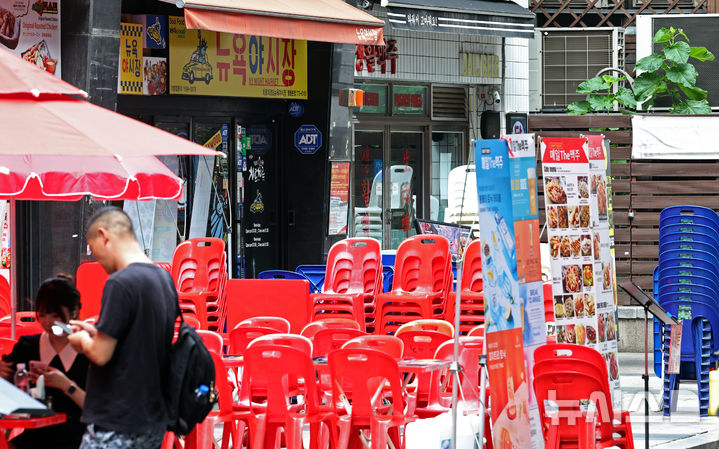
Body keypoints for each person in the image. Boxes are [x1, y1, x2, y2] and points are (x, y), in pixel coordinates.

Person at [68, 207, 177, 449]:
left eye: (94, 250)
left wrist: (81, 342)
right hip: (152, 418)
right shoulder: (163, 279)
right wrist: (97, 331)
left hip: (117, 418)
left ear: (104, 235)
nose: (97, 261)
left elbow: (100, 353)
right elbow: (139, 340)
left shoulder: (120, 282)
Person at [0, 275, 89, 449]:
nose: (48, 322)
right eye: (42, 315)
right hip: (34, 438)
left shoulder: (88, 351)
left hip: (80, 440)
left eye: (55, 315)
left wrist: (66, 385)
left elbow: (101, 410)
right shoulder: (27, 347)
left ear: (75, 311)